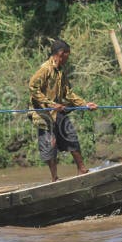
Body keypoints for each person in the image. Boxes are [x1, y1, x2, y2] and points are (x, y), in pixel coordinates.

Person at [28, 39, 98, 182]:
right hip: (42, 114)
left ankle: (82, 169)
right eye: (67, 55)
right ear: (60, 54)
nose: (68, 58)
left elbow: (68, 93)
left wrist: (85, 104)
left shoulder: (60, 72)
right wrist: (51, 104)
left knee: (71, 135)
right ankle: (55, 178)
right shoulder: (45, 69)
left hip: (57, 112)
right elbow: (32, 87)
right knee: (50, 144)